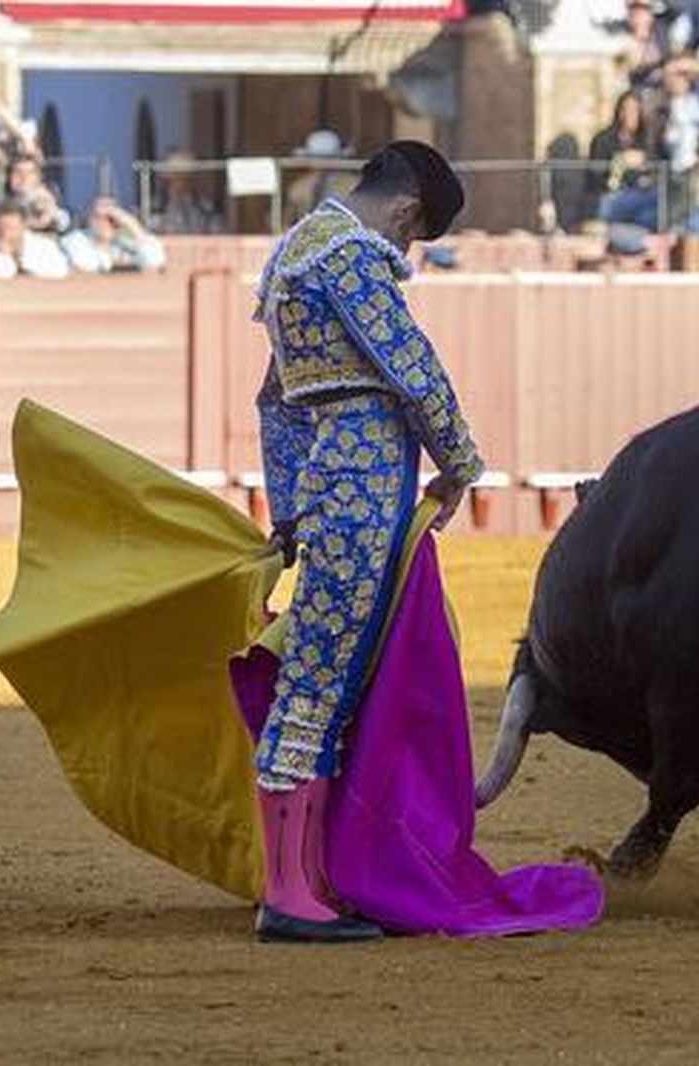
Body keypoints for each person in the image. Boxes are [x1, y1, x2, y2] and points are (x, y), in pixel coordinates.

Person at [249, 139, 484, 942]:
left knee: (330, 680)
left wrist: (288, 510)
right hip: (364, 482)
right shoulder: (349, 257)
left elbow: (274, 402)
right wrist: (459, 466)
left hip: (327, 483)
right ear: (409, 210)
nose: (403, 253)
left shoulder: (292, 256)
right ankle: (287, 895)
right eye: (412, 240)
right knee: (317, 683)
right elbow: (415, 370)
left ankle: (308, 878)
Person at [61, 197, 166, 273]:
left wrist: (134, 228)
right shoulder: (75, 240)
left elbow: (155, 262)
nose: (104, 223)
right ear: (89, 219)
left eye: (111, 218)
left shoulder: (127, 240)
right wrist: (102, 245)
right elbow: (86, 266)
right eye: (98, 217)